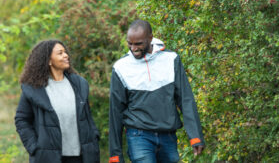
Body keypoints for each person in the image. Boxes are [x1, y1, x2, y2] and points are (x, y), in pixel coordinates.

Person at [109, 20, 205, 163]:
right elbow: (115, 112)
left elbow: (185, 99)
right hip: (139, 136)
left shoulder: (171, 59)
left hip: (168, 136)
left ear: (150, 38)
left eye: (138, 44)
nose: (133, 48)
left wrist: (195, 135)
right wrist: (115, 154)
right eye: (130, 43)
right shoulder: (121, 68)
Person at [15, 39, 100, 163]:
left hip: (82, 156)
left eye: (65, 52)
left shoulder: (79, 84)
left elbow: (87, 116)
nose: (66, 55)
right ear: (49, 60)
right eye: (60, 53)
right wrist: (34, 147)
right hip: (49, 157)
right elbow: (21, 120)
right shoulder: (34, 89)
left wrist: (94, 136)